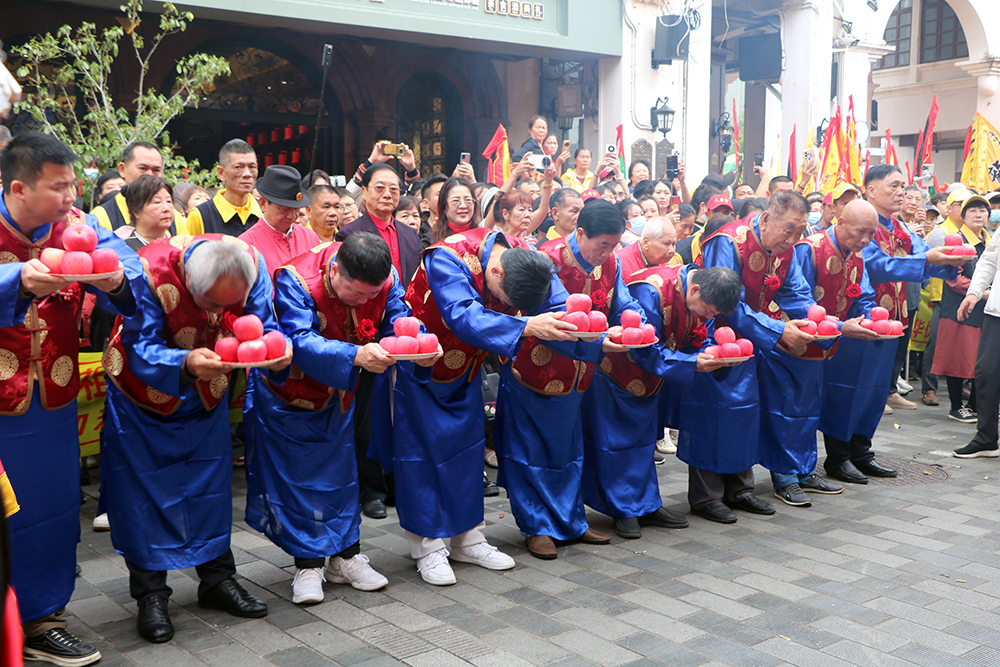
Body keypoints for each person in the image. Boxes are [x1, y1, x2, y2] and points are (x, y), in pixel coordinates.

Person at [102, 236, 291, 643]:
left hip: (208, 393)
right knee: (143, 495)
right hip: (143, 396)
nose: (220, 315)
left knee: (210, 487)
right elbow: (141, 346)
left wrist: (275, 349)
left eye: (228, 305)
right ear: (189, 280)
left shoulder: (250, 263)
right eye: (210, 304)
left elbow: (262, 324)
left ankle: (217, 580)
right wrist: (184, 362)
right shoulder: (151, 273)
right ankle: (151, 595)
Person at [0, 132, 143, 666]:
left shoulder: (78, 229)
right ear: (19, 187)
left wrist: (114, 281)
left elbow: (133, 274)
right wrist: (19, 278)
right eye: (59, 187)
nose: (71, 196)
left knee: (53, 509)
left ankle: (43, 620)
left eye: (73, 184)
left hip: (54, 400)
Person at [245, 233, 434, 602]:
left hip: (339, 391)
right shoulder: (296, 280)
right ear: (335, 271)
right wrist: (355, 356)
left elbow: (399, 319)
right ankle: (308, 564)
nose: (365, 302)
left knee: (343, 474)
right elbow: (297, 339)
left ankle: (346, 557)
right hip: (289, 394)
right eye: (356, 294)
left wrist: (421, 344)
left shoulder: (386, 278)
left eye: (371, 295)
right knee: (299, 479)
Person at [386, 227, 578, 581]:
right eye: (505, 299)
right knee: (422, 456)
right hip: (423, 366)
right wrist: (525, 324)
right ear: (496, 271)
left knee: (468, 451)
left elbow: (554, 299)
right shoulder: (448, 257)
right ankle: (428, 548)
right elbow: (464, 316)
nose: (508, 305)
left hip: (467, 369)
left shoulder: (523, 252)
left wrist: (583, 328)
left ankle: (468, 539)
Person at [500, 200, 634, 559]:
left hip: (579, 373)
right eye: (601, 244)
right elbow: (541, 311)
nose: (607, 252)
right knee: (531, 449)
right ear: (578, 233)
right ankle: (536, 526)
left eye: (614, 245)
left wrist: (631, 323)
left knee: (570, 448)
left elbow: (623, 303)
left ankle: (571, 520)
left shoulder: (612, 262)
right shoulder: (547, 259)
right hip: (535, 369)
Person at [819, 164, 963, 484]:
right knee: (848, 388)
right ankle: (838, 456)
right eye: (894, 186)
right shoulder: (863, 226)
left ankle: (861, 451)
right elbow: (880, 265)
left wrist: (950, 267)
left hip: (892, 322)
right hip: (859, 318)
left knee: (875, 390)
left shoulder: (900, 229)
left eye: (903, 187)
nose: (901, 192)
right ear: (869, 190)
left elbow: (925, 256)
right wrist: (930, 262)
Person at [593, 264, 742, 537]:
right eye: (708, 310)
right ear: (695, 289)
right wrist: (692, 362)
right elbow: (643, 347)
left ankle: (646, 504)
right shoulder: (651, 290)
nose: (709, 316)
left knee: (645, 441)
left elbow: (701, 336)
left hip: (657, 376)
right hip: (619, 373)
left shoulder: (700, 297)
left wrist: (712, 354)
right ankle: (623, 509)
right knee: (617, 443)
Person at [696, 191, 818, 523]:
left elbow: (797, 291)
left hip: (755, 338)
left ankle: (741, 490)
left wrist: (818, 321)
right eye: (788, 230)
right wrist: (777, 331)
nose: (792, 239)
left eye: (799, 232)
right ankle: (707, 497)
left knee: (748, 412)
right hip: (717, 336)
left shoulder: (786, 249)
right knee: (717, 413)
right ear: (766, 218)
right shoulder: (727, 242)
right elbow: (726, 301)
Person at [762, 200, 883, 506]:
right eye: (860, 232)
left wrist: (869, 318)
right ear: (839, 222)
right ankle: (785, 477)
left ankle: (804, 471)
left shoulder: (856, 255)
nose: (865, 240)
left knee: (810, 408)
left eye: (871, 233)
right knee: (787, 410)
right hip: (793, 341)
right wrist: (843, 325)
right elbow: (797, 301)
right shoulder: (808, 249)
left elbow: (864, 294)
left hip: (824, 342)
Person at [336, 163, 422, 520]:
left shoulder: (409, 234)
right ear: (366, 191)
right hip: (359, 330)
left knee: (396, 413)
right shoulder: (349, 232)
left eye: (394, 189)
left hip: (397, 330)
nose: (388, 194)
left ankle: (393, 479)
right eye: (380, 187)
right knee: (365, 415)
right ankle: (369, 486)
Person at [929, 194, 991, 422]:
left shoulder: (990, 240)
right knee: (956, 360)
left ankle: (974, 405)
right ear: (962, 216)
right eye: (972, 210)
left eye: (983, 210)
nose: (978, 214)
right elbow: (954, 278)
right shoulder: (956, 240)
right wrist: (982, 292)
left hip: (985, 310)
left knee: (982, 360)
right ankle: (956, 406)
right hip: (959, 310)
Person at [954, 219, 1000, 456]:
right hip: (997, 312)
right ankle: (986, 437)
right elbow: (989, 260)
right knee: (986, 374)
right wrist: (973, 293)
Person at [239, 165, 319, 278]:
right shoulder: (246, 245)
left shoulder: (309, 237)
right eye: (284, 209)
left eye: (296, 209)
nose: (292, 216)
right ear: (263, 204)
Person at [93, 141, 184, 234]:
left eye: (156, 170)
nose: (149, 175)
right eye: (143, 168)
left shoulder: (174, 218)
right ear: (122, 169)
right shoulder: (101, 217)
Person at [184, 139, 262, 237]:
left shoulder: (264, 211)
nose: (247, 174)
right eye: (238, 167)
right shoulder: (201, 216)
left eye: (252, 167)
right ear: (221, 173)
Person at [117, 175, 175, 249]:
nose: (166, 208)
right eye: (157, 202)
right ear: (135, 211)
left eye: (169, 201)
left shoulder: (180, 246)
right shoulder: (123, 249)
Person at [428, 177, 478, 245]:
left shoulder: (483, 237)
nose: (463, 206)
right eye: (456, 201)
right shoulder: (431, 241)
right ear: (444, 207)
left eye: (468, 200)